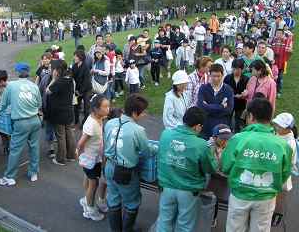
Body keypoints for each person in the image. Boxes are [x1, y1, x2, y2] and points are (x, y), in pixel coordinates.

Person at [222, 98, 292, 232]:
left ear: (251, 116)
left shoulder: (238, 139)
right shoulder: (283, 145)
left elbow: (225, 167)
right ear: (270, 117)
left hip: (240, 194)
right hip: (266, 197)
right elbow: (285, 174)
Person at [156, 107, 218, 232]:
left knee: (164, 222)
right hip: (188, 190)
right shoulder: (201, 144)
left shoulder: (166, 134)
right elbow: (210, 168)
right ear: (197, 126)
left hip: (166, 186)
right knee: (184, 225)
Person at [104, 94, 153, 232]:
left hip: (109, 166)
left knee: (113, 199)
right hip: (126, 172)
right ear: (134, 112)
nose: (144, 114)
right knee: (132, 203)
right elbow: (147, 151)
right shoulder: (138, 130)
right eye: (143, 112)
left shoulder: (110, 123)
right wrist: (156, 148)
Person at [0, 63, 42, 186]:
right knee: (34, 147)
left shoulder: (11, 86)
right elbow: (39, 104)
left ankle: (9, 176)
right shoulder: (34, 86)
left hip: (21, 122)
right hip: (35, 120)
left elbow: (3, 105)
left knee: (15, 149)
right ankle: (33, 173)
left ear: (17, 73)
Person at [77, 94, 110, 221]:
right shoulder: (91, 124)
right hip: (89, 158)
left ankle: (86, 199)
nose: (108, 109)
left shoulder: (99, 117)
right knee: (94, 183)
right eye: (105, 107)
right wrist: (78, 152)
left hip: (95, 158)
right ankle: (90, 209)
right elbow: (81, 142)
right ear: (96, 109)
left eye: (109, 106)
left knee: (89, 179)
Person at [47, 60, 76, 166]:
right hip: (69, 111)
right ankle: (71, 155)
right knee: (69, 133)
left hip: (59, 113)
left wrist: (53, 79)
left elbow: (48, 91)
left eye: (52, 69)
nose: (51, 71)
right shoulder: (70, 80)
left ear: (57, 70)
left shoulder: (59, 82)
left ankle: (61, 159)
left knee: (61, 136)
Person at [197, 64, 234, 140]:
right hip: (206, 127)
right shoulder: (203, 88)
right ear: (209, 75)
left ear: (222, 75)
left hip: (222, 128)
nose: (216, 79)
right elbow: (201, 107)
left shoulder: (228, 90)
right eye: (213, 76)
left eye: (218, 76)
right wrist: (221, 107)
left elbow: (229, 109)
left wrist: (208, 107)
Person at [272, 113, 297, 192]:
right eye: (276, 124)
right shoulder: (278, 133)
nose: (276, 127)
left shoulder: (290, 143)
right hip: (273, 167)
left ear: (288, 128)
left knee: (279, 189)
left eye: (279, 126)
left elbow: (290, 161)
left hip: (281, 171)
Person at [224, 59, 249, 133]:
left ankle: (237, 133)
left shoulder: (246, 79)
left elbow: (248, 91)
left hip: (241, 104)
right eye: (234, 69)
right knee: (227, 120)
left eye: (238, 69)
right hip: (229, 103)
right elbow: (224, 90)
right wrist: (233, 96)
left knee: (238, 121)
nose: (236, 71)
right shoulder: (227, 78)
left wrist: (243, 95)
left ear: (242, 69)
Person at [72, 50, 93, 126]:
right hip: (77, 90)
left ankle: (84, 123)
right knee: (75, 107)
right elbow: (72, 77)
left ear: (80, 57)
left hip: (86, 90)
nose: (74, 57)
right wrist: (76, 91)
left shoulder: (85, 67)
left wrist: (80, 92)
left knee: (86, 108)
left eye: (76, 56)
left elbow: (86, 81)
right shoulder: (74, 66)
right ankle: (76, 121)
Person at [271, 29, 291, 97]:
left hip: (281, 63)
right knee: (272, 77)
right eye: (277, 33)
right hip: (273, 64)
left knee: (280, 77)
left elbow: (289, 52)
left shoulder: (286, 41)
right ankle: (273, 90)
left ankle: (279, 91)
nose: (278, 35)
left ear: (282, 34)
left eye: (280, 33)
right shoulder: (273, 41)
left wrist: (285, 58)